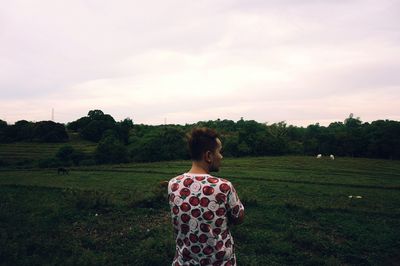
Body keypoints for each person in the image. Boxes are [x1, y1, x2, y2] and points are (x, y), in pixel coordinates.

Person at [168, 127, 245, 266]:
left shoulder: (173, 184)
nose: (221, 156)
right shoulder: (223, 186)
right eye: (219, 152)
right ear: (208, 156)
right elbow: (239, 218)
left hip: (184, 261)